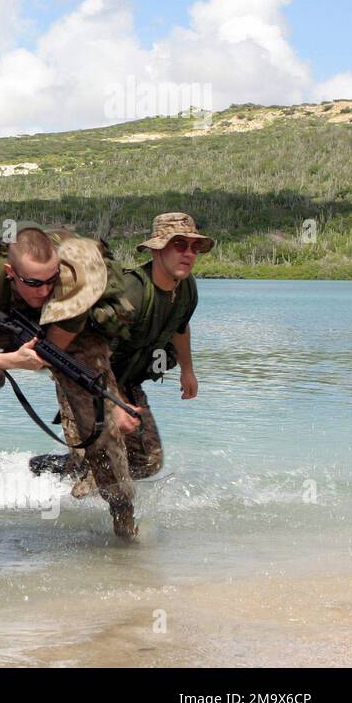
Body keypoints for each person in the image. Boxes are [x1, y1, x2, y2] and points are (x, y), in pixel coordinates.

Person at [0, 226, 145, 538]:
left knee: (101, 435)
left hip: (68, 337)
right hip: (8, 325)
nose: (43, 291)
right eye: (33, 283)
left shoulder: (74, 286)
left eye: (49, 280)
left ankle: (123, 520)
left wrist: (108, 398)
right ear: (11, 272)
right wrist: (9, 360)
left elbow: (53, 351)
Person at [31, 212, 211, 503]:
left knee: (149, 461)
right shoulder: (132, 293)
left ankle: (58, 468)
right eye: (179, 245)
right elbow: (91, 351)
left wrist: (188, 371)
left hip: (126, 381)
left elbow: (180, 326)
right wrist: (112, 404)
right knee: (104, 472)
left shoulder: (186, 288)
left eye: (194, 247)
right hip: (86, 381)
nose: (188, 253)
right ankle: (74, 529)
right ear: (156, 248)